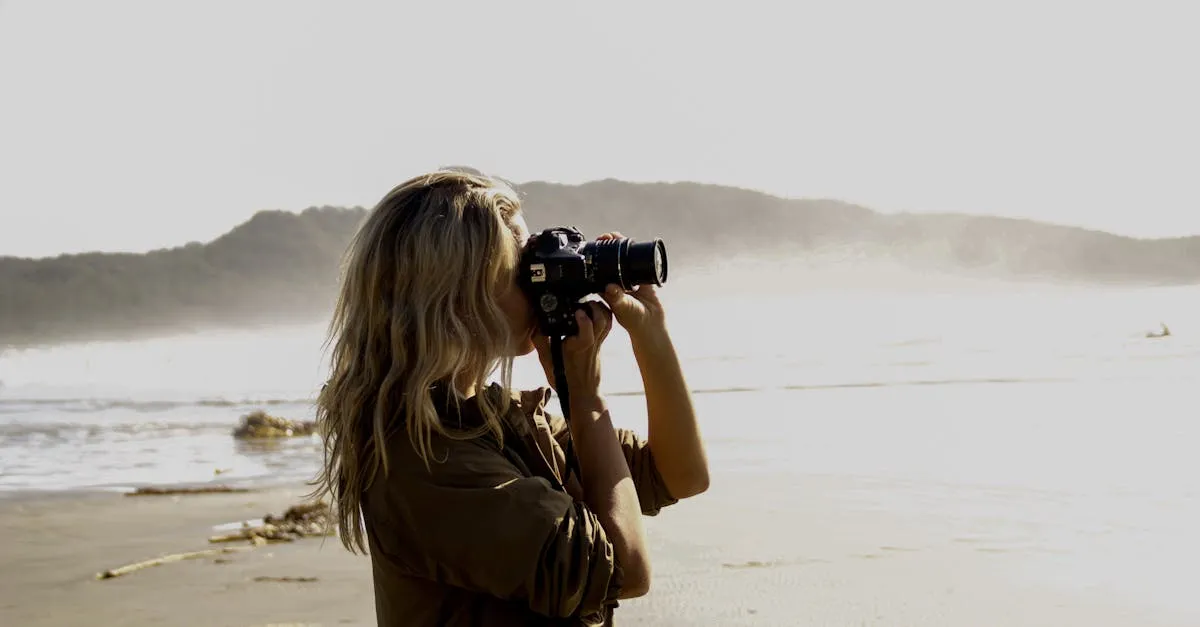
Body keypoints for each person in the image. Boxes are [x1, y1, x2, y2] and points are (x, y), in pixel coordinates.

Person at [311, 170, 710, 626]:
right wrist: (585, 400)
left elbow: (681, 474)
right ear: (460, 295)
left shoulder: (499, 419)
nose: (542, 278)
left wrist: (650, 334)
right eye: (523, 266)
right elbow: (623, 572)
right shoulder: (425, 459)